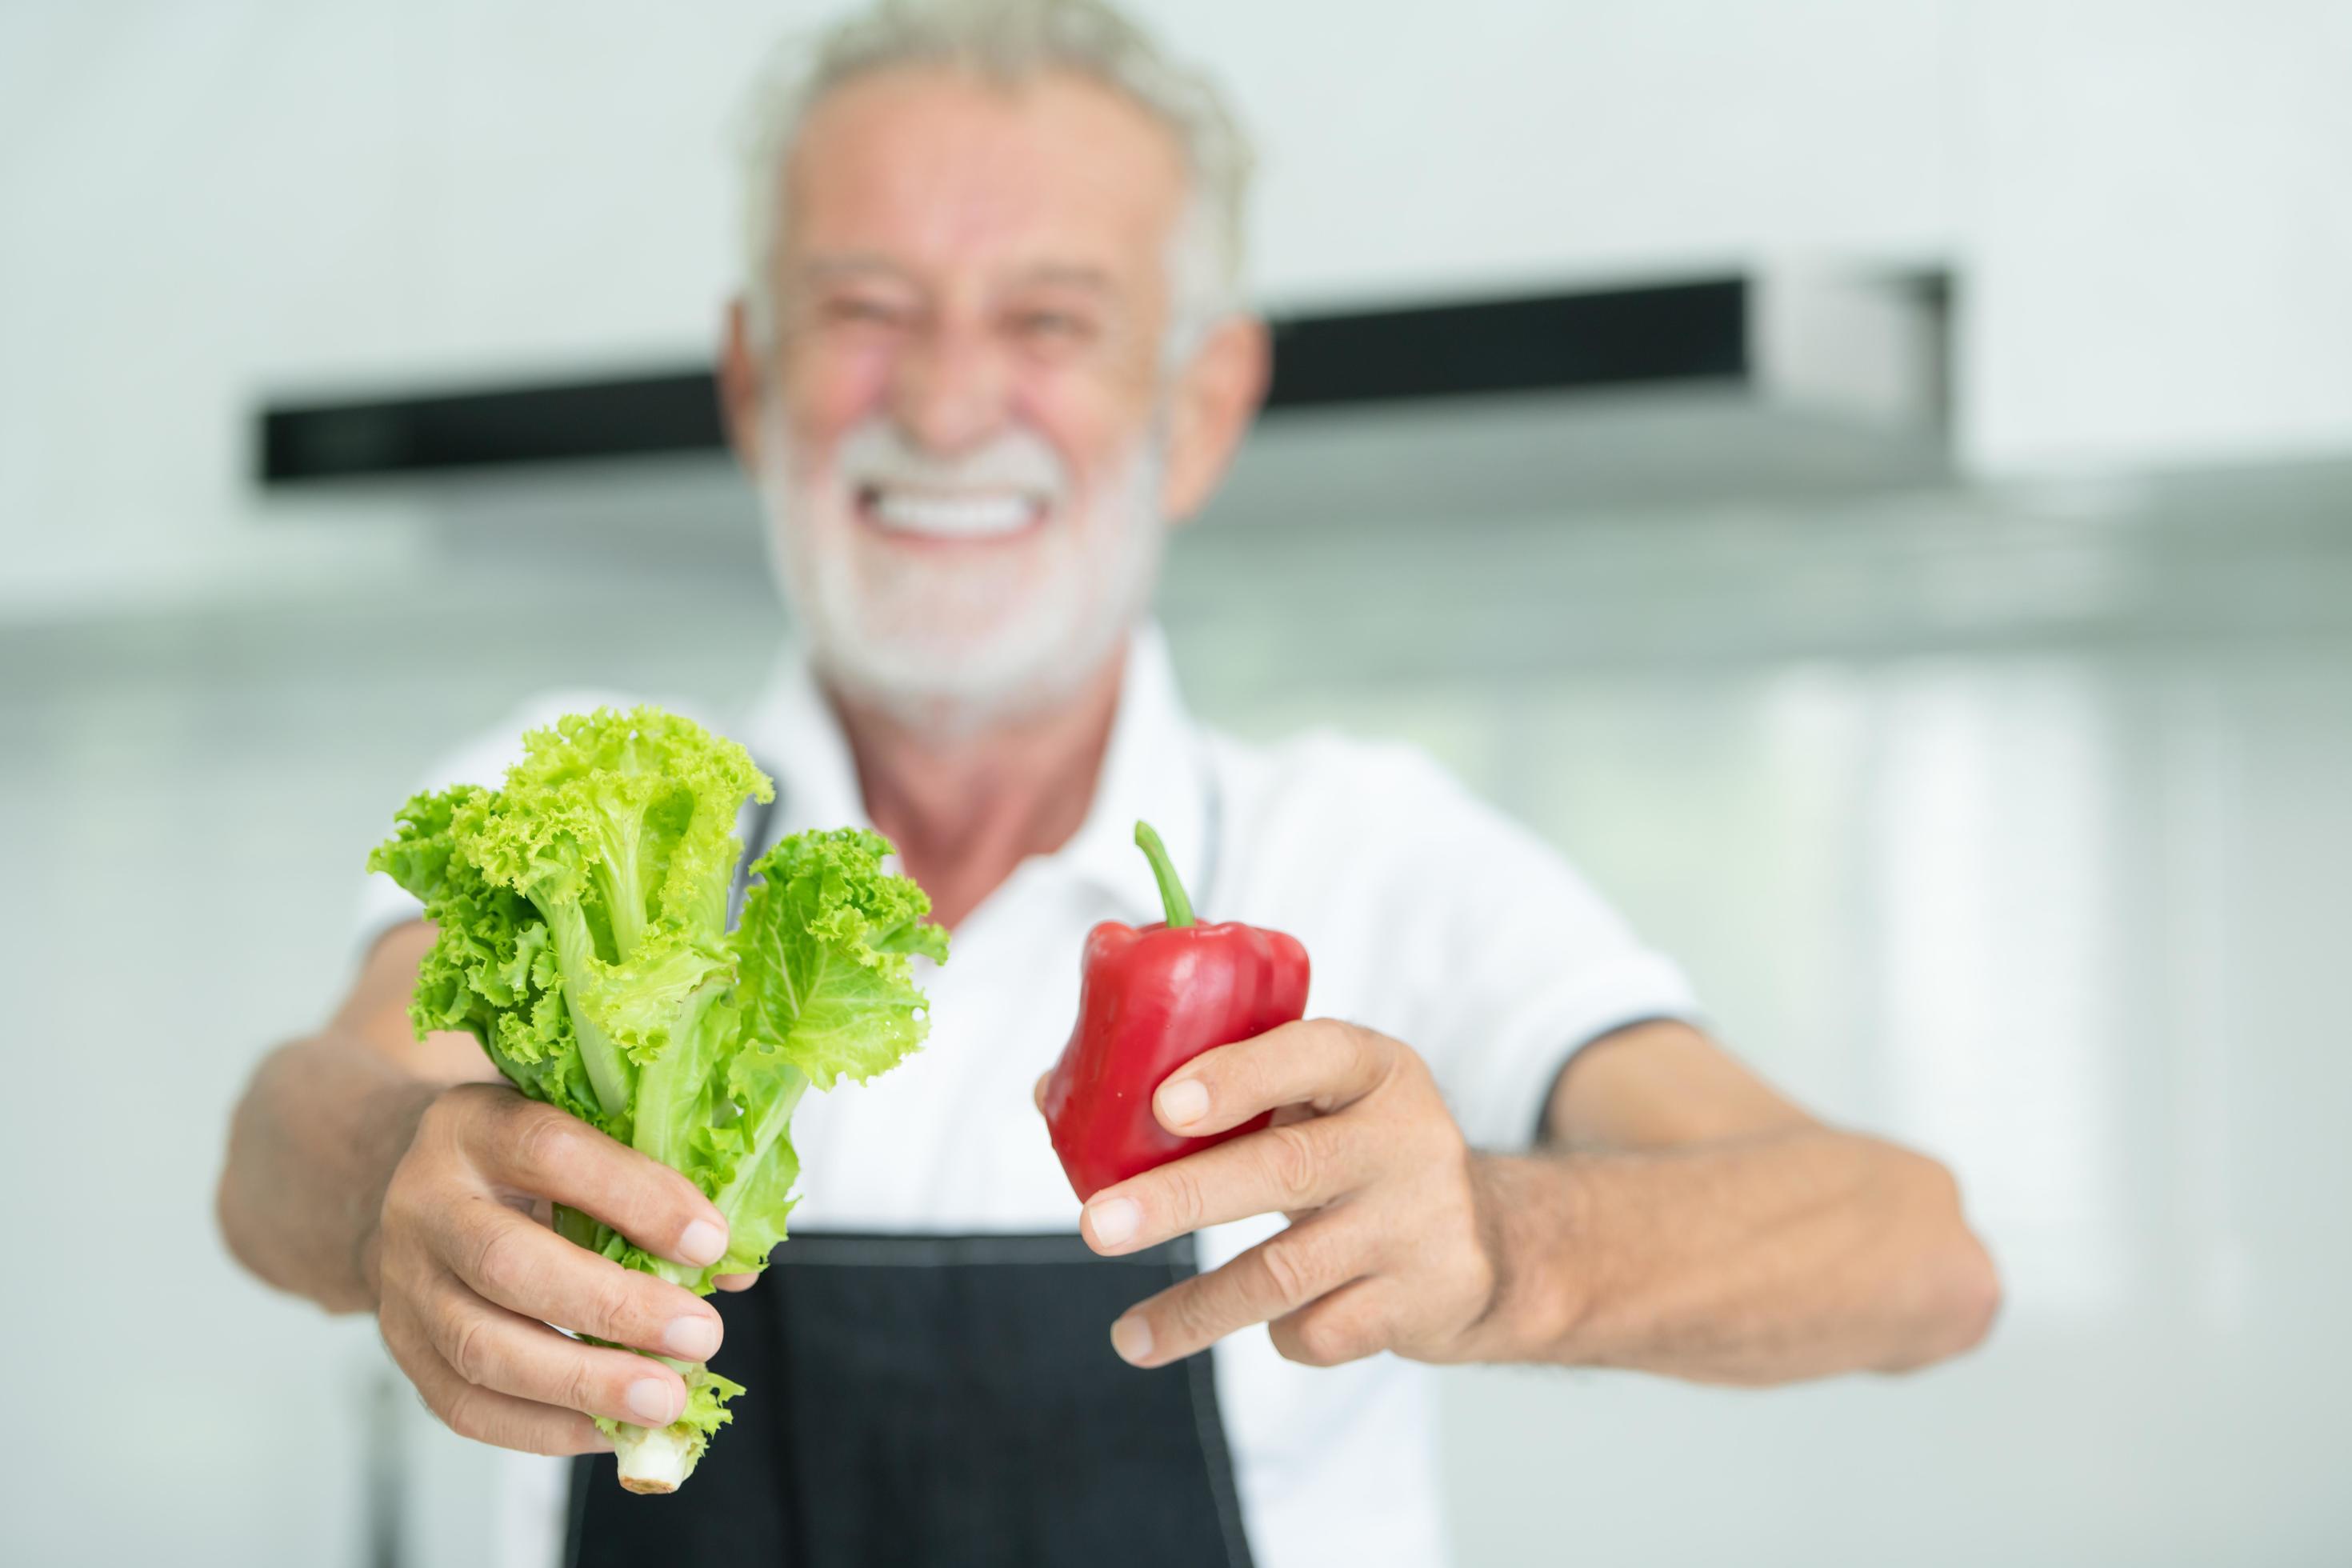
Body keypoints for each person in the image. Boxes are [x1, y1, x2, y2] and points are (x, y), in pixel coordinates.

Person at [218, 2, 2000, 1564]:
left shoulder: (1362, 854)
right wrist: (394, 1178)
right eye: (863, 309)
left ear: (1202, 404)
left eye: (1051, 320)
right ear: (754, 381)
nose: (945, 399)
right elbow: (284, 1139)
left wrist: (1498, 1237)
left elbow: (1919, 1255)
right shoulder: (602, 811)